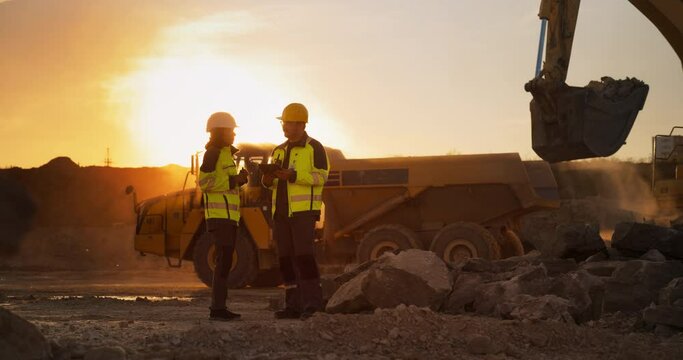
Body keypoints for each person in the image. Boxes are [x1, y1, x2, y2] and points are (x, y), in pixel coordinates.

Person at [262, 103, 330, 320]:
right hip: (281, 214)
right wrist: (268, 179)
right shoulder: (278, 150)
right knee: (285, 259)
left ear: (301, 124)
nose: (284, 127)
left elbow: (321, 176)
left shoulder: (315, 148)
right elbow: (272, 185)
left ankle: (312, 304)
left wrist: (294, 175)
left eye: (288, 123)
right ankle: (292, 305)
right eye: (283, 123)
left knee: (304, 257)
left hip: (303, 214)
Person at [198, 111, 248, 321]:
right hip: (219, 217)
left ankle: (220, 307)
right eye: (231, 131)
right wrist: (233, 181)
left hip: (229, 217)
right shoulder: (212, 154)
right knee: (223, 261)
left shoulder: (227, 154)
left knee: (225, 261)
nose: (234, 135)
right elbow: (205, 183)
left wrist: (239, 179)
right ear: (220, 132)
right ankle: (217, 309)